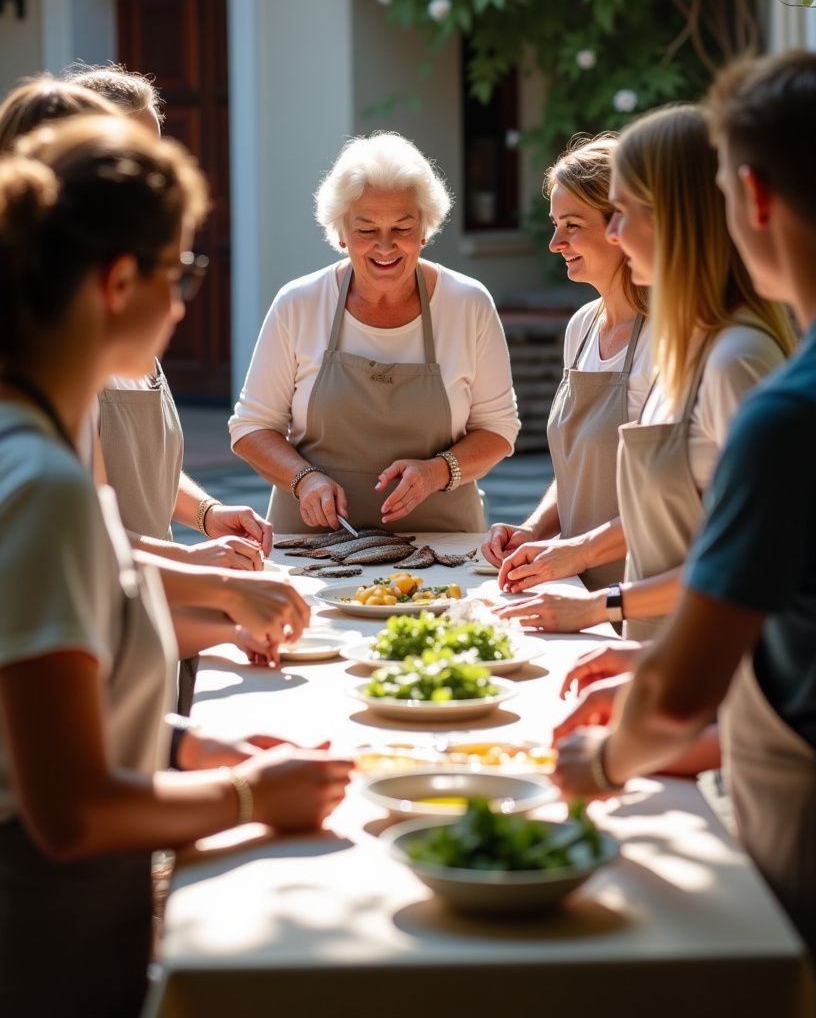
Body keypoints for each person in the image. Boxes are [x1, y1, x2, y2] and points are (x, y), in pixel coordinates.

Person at [0, 114, 352, 1017]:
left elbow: (49, 708)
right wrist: (244, 797)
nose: (188, 302)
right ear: (120, 282)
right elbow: (68, 807)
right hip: (39, 938)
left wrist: (189, 745)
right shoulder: (41, 483)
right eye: (181, 273)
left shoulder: (39, 448)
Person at [552, 50, 816, 953]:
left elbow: (688, 684)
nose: (611, 235)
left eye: (618, 213)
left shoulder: (773, 394)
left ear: (754, 198)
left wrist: (605, 757)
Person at [496, 104, 794, 636]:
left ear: (677, 220)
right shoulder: (691, 344)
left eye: (621, 214)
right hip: (653, 645)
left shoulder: (733, 357)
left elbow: (756, 557)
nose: (615, 234)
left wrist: (600, 605)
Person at [231, 132, 519, 533]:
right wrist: (303, 479)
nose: (385, 247)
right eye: (366, 230)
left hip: (443, 547)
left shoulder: (467, 303)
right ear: (341, 234)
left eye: (402, 227)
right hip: (311, 549)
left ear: (424, 231)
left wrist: (438, 471)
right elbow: (251, 427)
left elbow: (499, 428)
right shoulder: (299, 303)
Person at [66, 63, 273, 573]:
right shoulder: (55, 334)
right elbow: (79, 527)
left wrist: (207, 514)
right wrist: (199, 570)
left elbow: (139, 473)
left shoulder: (132, 307)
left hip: (156, 615)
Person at [481, 134, 650, 591]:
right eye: (555, 224)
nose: (556, 242)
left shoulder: (666, 340)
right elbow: (577, 473)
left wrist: (575, 552)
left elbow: (676, 502)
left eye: (572, 225)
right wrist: (534, 530)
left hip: (638, 592)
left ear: (621, 226)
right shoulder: (581, 328)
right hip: (575, 585)